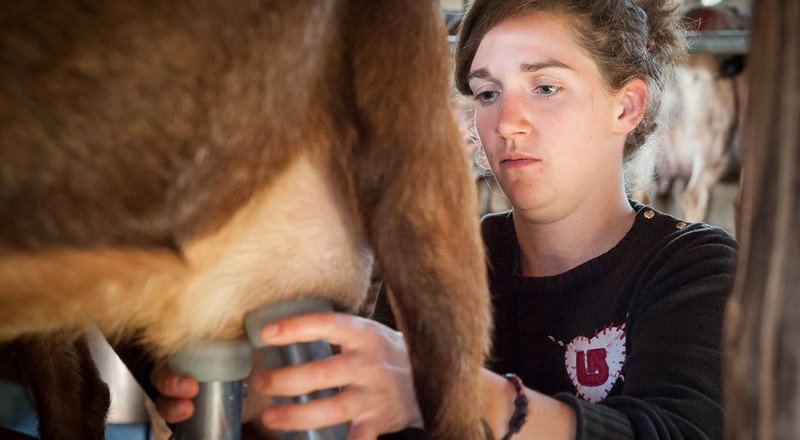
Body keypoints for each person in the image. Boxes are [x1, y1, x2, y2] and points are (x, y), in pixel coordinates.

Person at [152, 0, 738, 438]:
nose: (508, 122)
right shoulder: (454, 260)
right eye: (487, 94)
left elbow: (678, 430)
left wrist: (445, 388)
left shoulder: (695, 266)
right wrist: (281, 396)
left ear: (626, 105)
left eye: (546, 86)